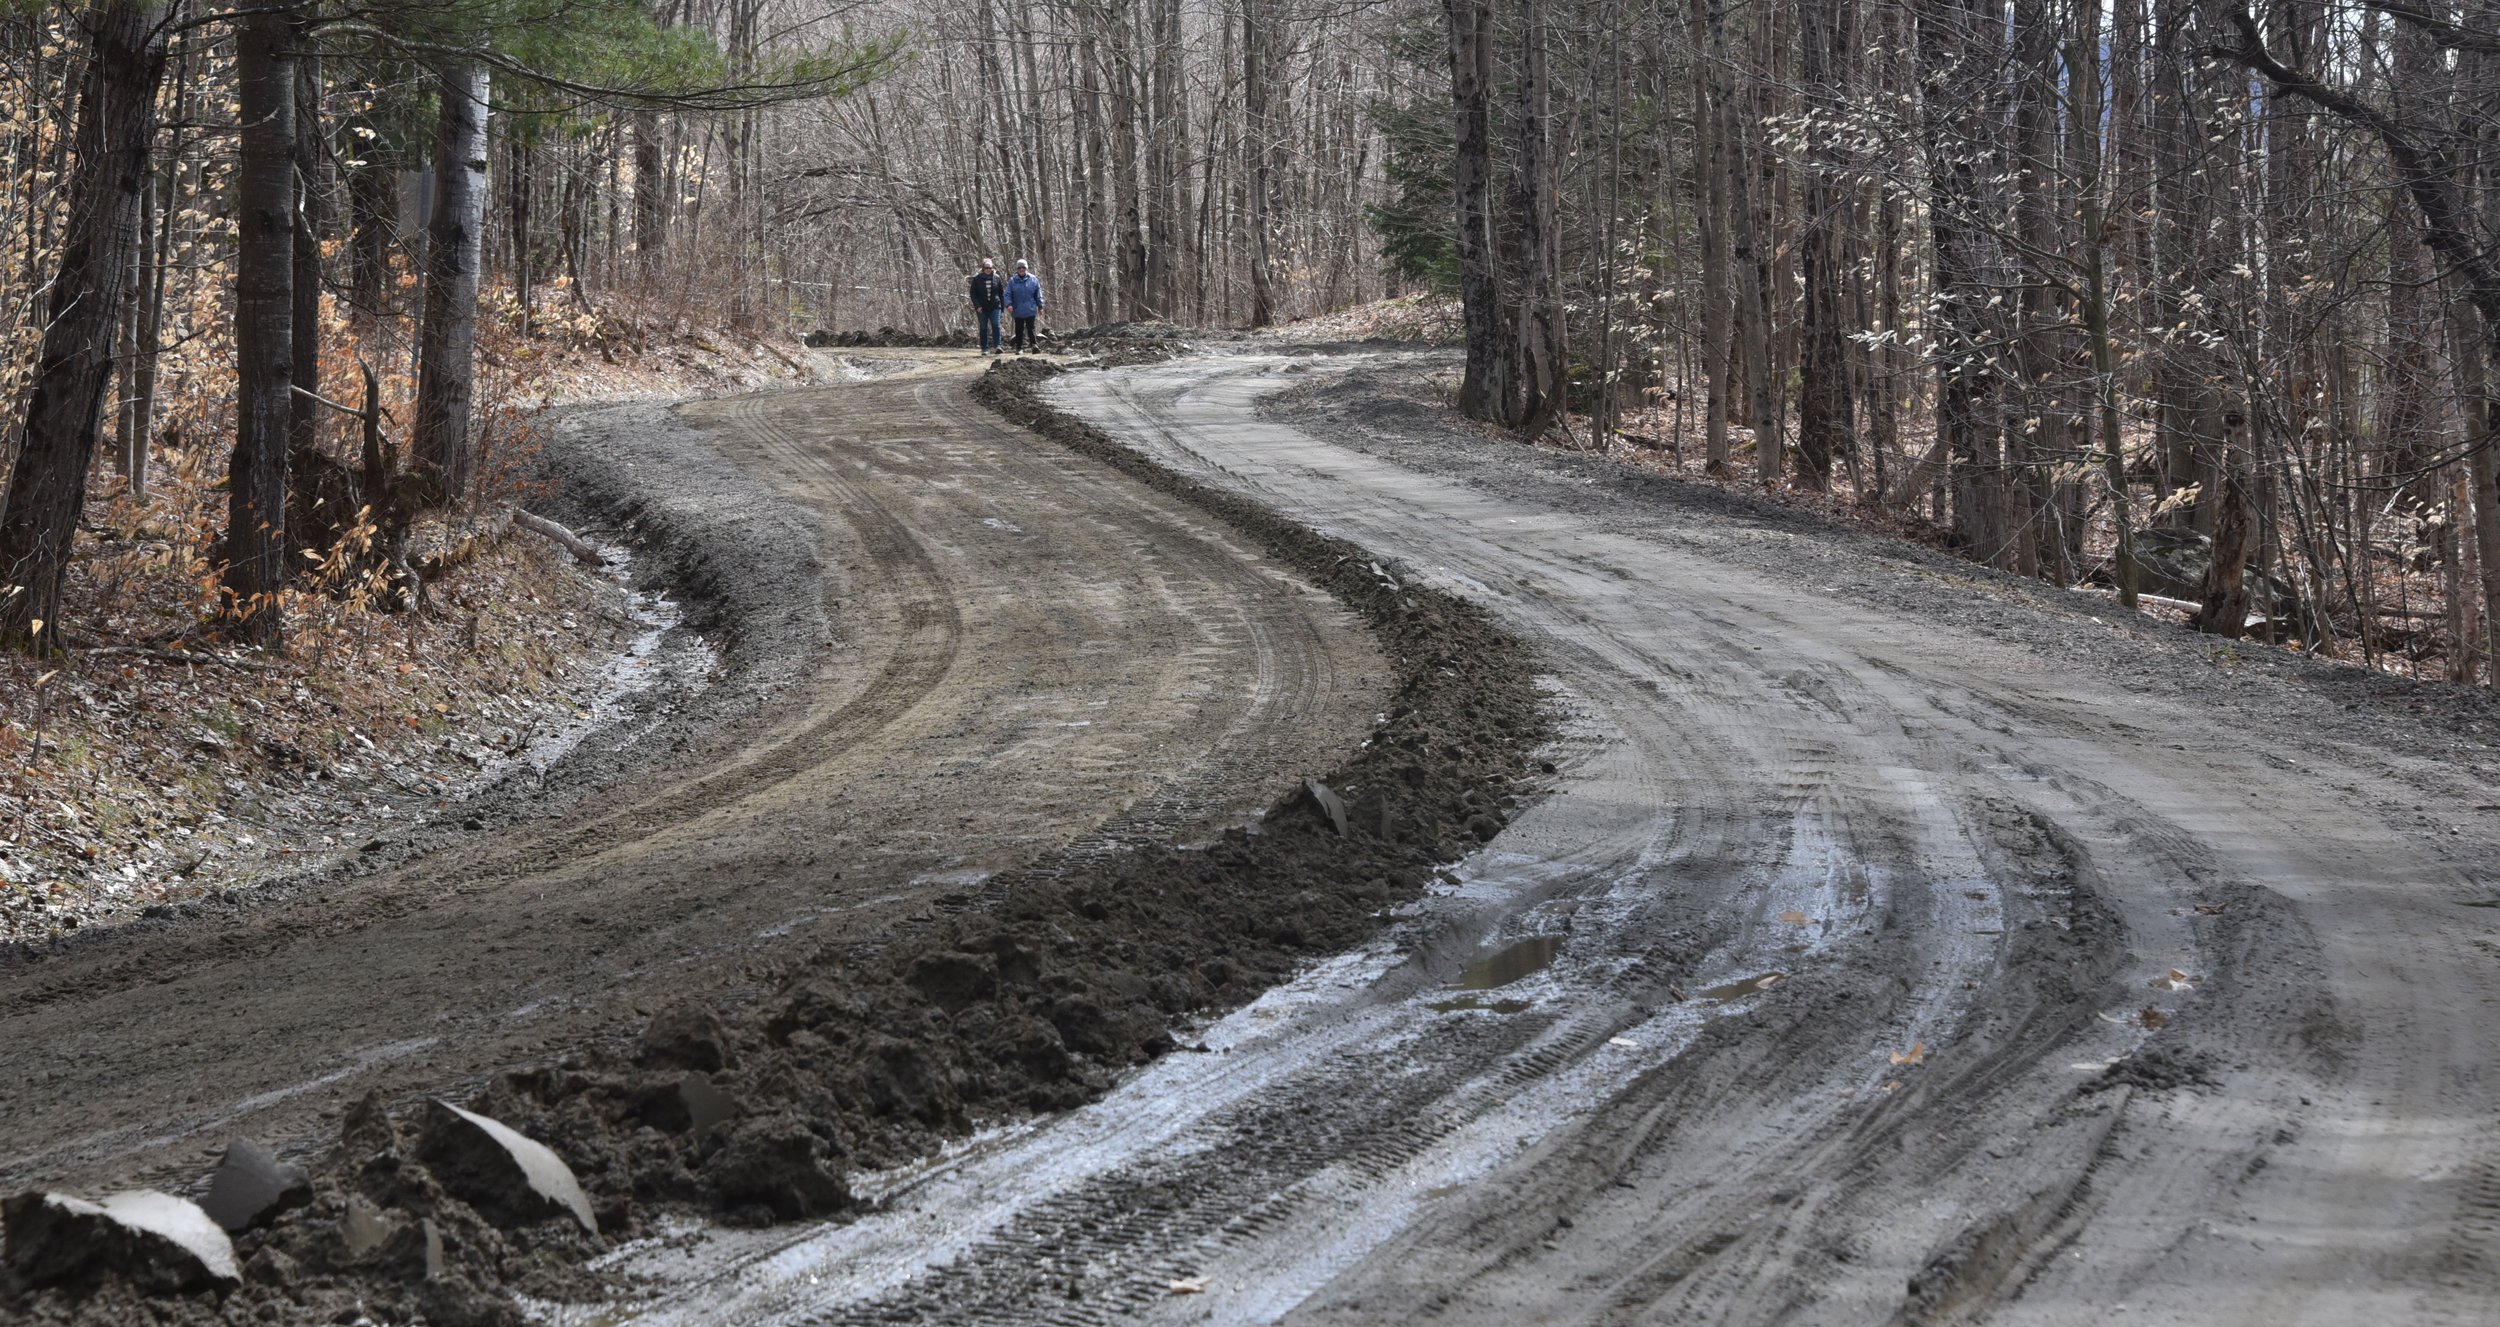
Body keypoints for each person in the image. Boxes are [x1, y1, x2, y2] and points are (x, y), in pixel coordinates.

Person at [967, 258, 1006, 355]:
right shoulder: (977, 279)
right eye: (986, 268)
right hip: (982, 307)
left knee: (996, 325)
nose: (988, 269)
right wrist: (977, 306)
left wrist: (1002, 306)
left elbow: (1001, 293)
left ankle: (998, 346)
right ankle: (985, 348)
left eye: (990, 267)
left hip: (995, 305)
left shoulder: (997, 278)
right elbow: (973, 294)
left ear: (992, 268)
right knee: (983, 327)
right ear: (983, 268)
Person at [1006, 260, 1044, 354]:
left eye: (1023, 267)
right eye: (1019, 268)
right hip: (1017, 308)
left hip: (1030, 308)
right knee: (1019, 329)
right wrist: (1009, 304)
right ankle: (1019, 348)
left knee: (1031, 327)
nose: (1021, 269)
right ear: (1017, 269)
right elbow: (1007, 294)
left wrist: (1040, 306)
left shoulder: (1033, 279)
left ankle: (1034, 345)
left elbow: (1038, 294)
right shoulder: (1012, 281)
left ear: (1026, 268)